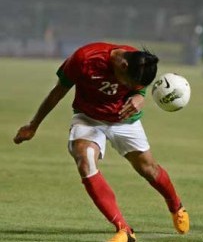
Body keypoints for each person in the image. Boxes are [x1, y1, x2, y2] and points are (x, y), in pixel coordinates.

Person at [13, 42, 190, 242]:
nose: (131, 88)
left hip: (124, 118)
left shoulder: (138, 63)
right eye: (129, 84)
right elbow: (58, 92)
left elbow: (139, 89)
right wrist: (33, 125)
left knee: (148, 169)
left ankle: (176, 206)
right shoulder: (84, 59)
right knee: (84, 159)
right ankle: (124, 230)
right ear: (122, 66)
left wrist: (140, 98)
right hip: (88, 117)